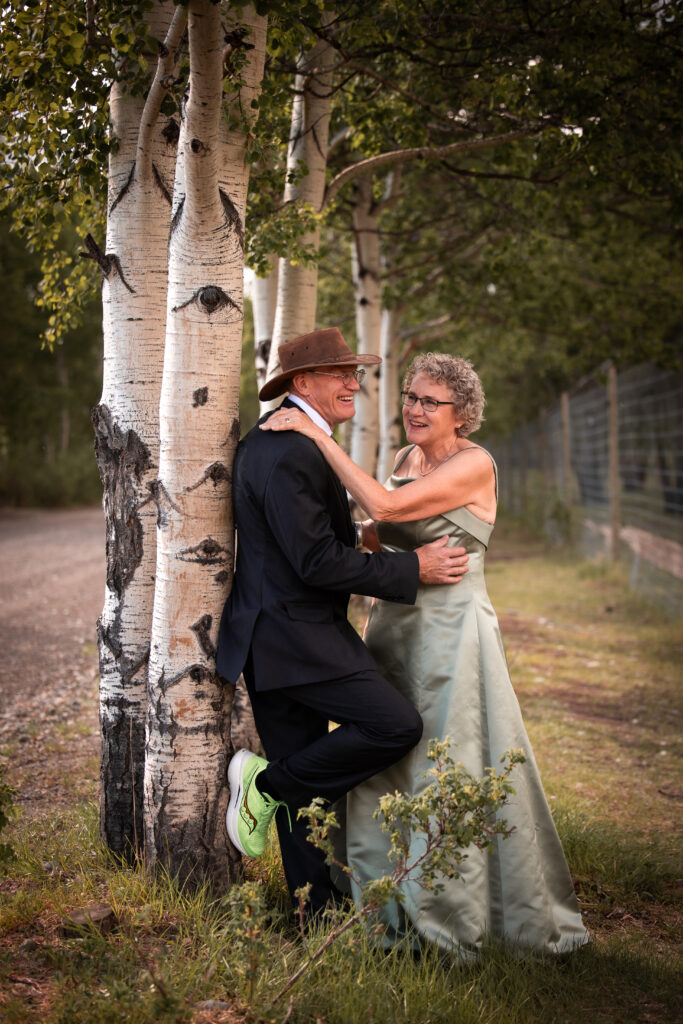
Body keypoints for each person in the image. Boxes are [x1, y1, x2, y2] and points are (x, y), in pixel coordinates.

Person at [262, 351, 590, 955]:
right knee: (385, 756)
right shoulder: (404, 459)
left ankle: (453, 911)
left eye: (428, 401)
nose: (413, 409)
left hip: (451, 635)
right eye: (410, 397)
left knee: (447, 760)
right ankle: (384, 900)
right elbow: (377, 532)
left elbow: (384, 508)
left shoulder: (475, 465)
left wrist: (315, 435)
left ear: (460, 413)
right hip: (392, 629)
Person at [216, 329, 469, 917]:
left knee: (310, 785)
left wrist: (364, 538)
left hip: (279, 633)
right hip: (293, 637)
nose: (354, 382)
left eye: (354, 372)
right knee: (394, 725)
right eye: (340, 373)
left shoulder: (291, 441)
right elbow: (314, 561)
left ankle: (316, 915)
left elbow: (302, 543)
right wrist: (411, 568)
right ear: (303, 383)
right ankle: (264, 786)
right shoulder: (288, 450)